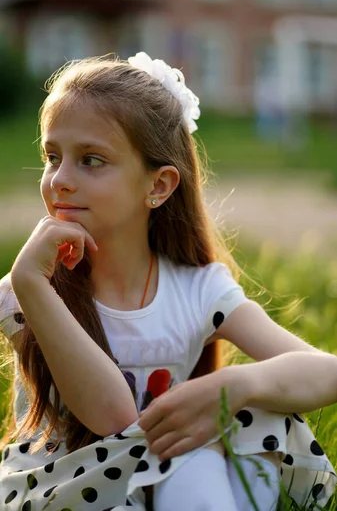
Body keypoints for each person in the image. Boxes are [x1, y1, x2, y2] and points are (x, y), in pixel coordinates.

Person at [0, 52, 336, 511]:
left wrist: (232, 385)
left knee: (242, 423)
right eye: (52, 156)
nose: (60, 180)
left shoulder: (197, 289)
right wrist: (31, 285)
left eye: (91, 160)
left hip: (170, 470)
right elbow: (112, 418)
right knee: (188, 454)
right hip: (66, 492)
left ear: (157, 186)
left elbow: (327, 372)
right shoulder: (28, 291)